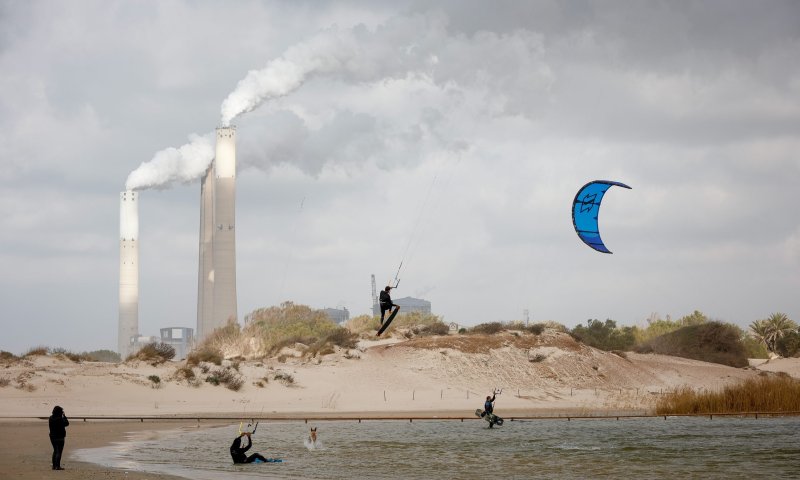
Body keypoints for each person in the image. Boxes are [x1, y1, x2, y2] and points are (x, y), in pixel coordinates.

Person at [48, 405, 69, 470]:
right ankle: (57, 466)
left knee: (55, 451)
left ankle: (54, 466)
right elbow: (67, 423)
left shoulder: (51, 418)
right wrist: (64, 417)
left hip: (52, 436)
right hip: (60, 437)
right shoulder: (60, 419)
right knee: (59, 451)